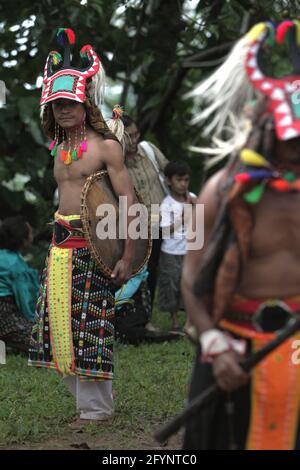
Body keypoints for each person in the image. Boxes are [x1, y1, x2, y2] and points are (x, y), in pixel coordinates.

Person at [182, 20, 300, 450]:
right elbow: (191, 279)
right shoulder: (220, 191)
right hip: (232, 344)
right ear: (266, 129)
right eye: (294, 142)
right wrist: (214, 343)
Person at [28, 28, 136, 427]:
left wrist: (127, 254)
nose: (63, 110)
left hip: (94, 248)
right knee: (56, 323)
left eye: (69, 103)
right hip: (59, 250)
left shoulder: (106, 146)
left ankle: (97, 410)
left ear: (84, 102)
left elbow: (128, 201)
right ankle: (88, 402)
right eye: (56, 105)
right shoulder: (57, 148)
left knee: (90, 324)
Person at [121, 114, 169, 313]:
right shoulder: (116, 164)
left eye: (136, 135)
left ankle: (146, 314)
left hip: (162, 223)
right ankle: (132, 313)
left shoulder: (149, 150)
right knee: (138, 271)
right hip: (135, 228)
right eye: (128, 137)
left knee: (156, 269)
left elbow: (170, 173)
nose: (133, 141)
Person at [158, 160, 196, 331]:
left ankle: (190, 320)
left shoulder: (193, 198)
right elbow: (165, 230)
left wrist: (195, 206)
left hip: (191, 250)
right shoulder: (167, 204)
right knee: (172, 284)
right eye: (179, 180)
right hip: (171, 252)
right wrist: (184, 215)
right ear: (169, 181)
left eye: (186, 180)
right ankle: (174, 320)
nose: (183, 184)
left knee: (190, 284)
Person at [0, 216, 38, 353]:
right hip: (4, 312)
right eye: (30, 232)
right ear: (23, 240)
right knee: (42, 342)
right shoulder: (15, 264)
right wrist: (33, 320)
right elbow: (25, 300)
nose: (32, 235)